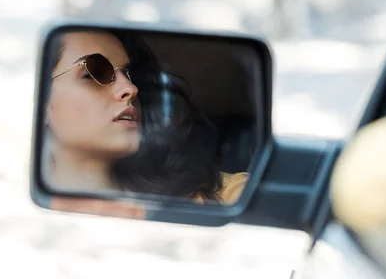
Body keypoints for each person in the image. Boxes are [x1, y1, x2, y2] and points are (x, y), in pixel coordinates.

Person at [45, 29, 248, 205]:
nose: (130, 89)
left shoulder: (229, 196)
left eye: (128, 74)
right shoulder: (20, 204)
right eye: (95, 72)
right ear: (42, 101)